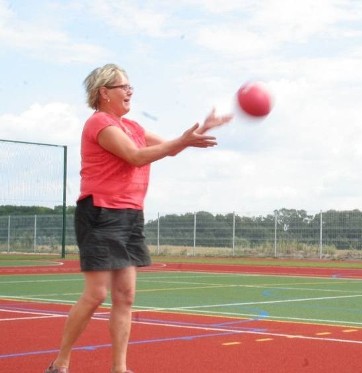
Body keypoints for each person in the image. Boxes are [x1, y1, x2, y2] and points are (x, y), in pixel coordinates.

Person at [45, 63, 233, 373]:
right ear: (104, 92)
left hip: (130, 214)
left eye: (131, 86)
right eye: (123, 86)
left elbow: (169, 148)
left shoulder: (132, 126)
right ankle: (61, 361)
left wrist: (202, 130)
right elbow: (135, 156)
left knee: (126, 296)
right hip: (101, 212)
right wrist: (182, 142)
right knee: (95, 294)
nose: (130, 91)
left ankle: (119, 369)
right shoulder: (100, 124)